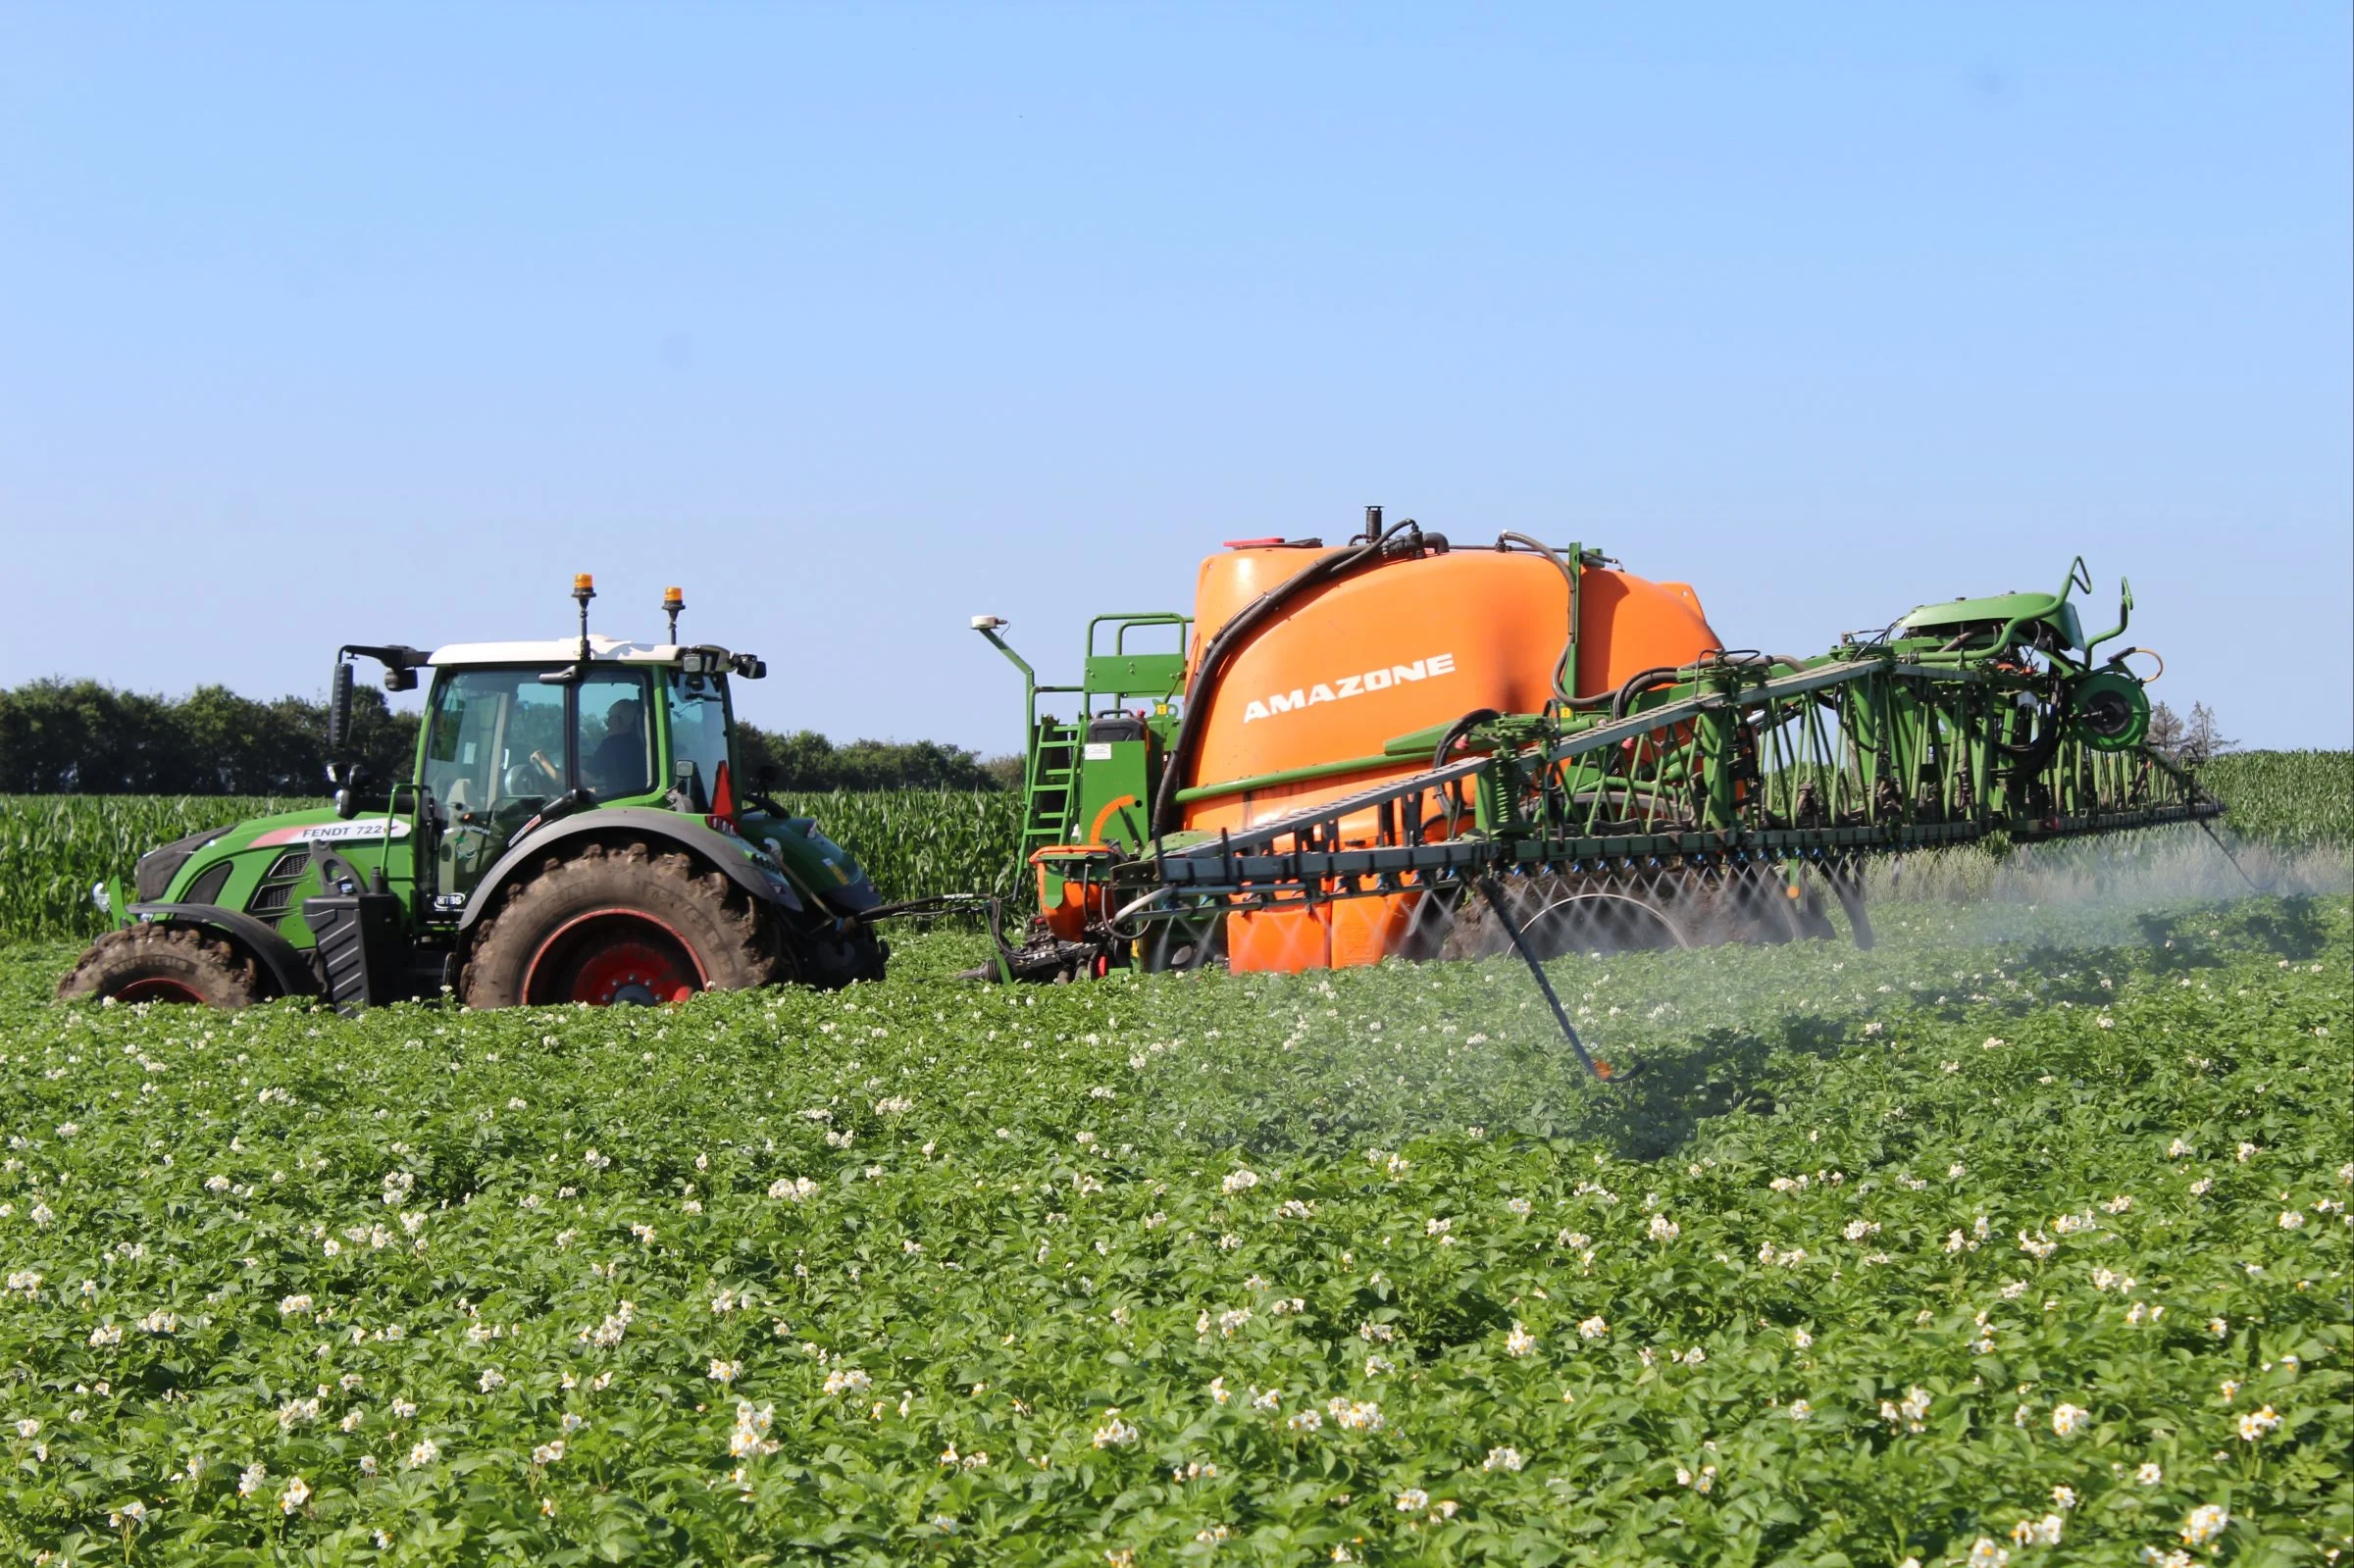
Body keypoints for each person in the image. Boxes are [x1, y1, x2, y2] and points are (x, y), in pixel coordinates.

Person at [585, 696, 647, 796]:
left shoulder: (612, 744)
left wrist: (551, 769)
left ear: (617, 721)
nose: (607, 725)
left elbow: (582, 779)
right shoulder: (642, 744)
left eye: (609, 720)